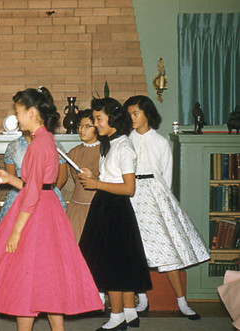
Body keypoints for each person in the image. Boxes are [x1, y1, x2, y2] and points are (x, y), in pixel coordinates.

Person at [0, 87, 103, 331]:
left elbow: (33, 192)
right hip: (46, 209)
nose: (16, 117)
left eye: (18, 111)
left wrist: (16, 232)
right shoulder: (45, 138)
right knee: (47, 277)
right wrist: (9, 177)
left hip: (34, 213)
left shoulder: (38, 144)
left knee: (24, 281)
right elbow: (37, 184)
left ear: (32, 112)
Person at [124, 95, 210, 318]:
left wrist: (163, 202)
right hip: (131, 195)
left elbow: (166, 177)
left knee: (166, 249)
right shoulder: (126, 140)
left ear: (147, 114)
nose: (132, 118)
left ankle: (182, 301)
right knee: (135, 249)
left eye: (136, 113)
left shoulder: (161, 142)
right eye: (129, 114)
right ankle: (142, 300)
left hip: (154, 197)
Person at [78, 97, 152, 331]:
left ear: (113, 119)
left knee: (111, 263)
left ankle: (118, 315)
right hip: (106, 206)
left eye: (99, 118)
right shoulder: (110, 144)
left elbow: (129, 188)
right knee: (119, 262)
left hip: (115, 209)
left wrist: (96, 184)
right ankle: (129, 312)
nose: (96, 123)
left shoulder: (123, 147)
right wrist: (95, 178)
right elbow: (111, 178)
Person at [0, 130, 67, 222]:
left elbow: (62, 176)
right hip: (21, 194)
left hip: (47, 195)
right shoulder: (13, 146)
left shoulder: (54, 144)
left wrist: (49, 192)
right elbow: (11, 177)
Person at [65, 109, 100, 242]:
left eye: (87, 126)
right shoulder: (73, 152)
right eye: (80, 125)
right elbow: (75, 179)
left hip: (96, 208)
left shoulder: (104, 150)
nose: (81, 130)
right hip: (76, 207)